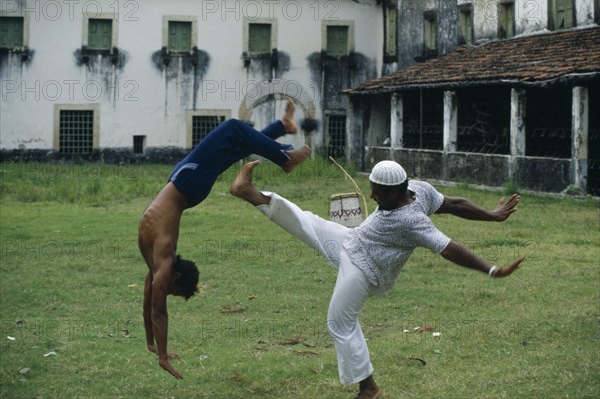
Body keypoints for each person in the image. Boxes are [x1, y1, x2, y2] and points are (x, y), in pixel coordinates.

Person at [230, 159, 526, 399]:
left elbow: (450, 249)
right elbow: (454, 204)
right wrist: (492, 215)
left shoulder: (412, 220)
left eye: (377, 193)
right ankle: (249, 192)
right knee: (308, 221)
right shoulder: (418, 189)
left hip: (365, 269)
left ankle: (368, 389)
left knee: (339, 323)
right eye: (372, 189)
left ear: (396, 192)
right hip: (352, 241)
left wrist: (490, 269)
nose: (371, 196)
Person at [138, 101, 311, 379]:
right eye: (172, 291)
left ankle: (282, 136)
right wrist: (159, 350)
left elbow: (154, 308)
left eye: (170, 291)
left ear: (176, 274)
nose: (164, 291)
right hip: (186, 185)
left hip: (185, 183)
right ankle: (284, 153)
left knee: (235, 139)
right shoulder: (162, 264)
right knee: (232, 133)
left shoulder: (161, 264)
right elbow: (155, 307)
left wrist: (153, 344)